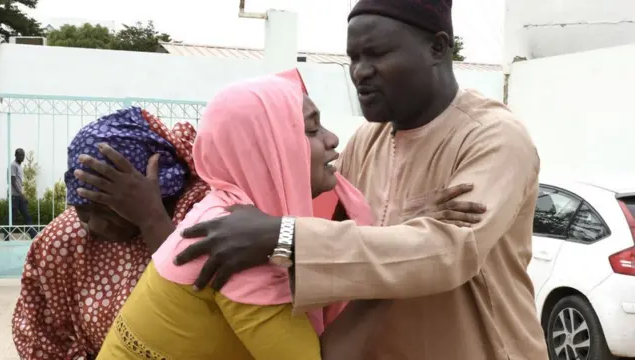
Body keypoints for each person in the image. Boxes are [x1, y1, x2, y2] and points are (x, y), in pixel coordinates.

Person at [171, 1, 549, 359]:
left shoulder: (492, 137)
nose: (360, 72)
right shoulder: (368, 140)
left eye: (378, 54)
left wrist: (284, 236)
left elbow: (450, 252)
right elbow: (338, 231)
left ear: (437, 47)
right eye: (354, 57)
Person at [96, 71, 483, 359]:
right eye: (311, 129)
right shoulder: (238, 245)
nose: (332, 139)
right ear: (269, 150)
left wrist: (398, 237)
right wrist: (391, 276)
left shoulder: (227, 212)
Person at [12, 107, 210, 359]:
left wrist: (152, 221)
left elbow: (209, 315)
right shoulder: (64, 240)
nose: (94, 226)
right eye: (83, 210)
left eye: (107, 211)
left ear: (159, 192)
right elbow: (38, 334)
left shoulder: (201, 214)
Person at [7, 148, 37, 240]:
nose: (22, 157)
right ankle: (6, 238)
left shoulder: (19, 166)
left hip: (19, 196)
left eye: (23, 155)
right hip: (14, 196)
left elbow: (19, 183)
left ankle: (34, 236)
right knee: (11, 217)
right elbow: (12, 181)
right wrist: (22, 195)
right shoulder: (13, 165)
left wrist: (21, 194)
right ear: (15, 155)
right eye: (20, 155)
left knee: (27, 215)